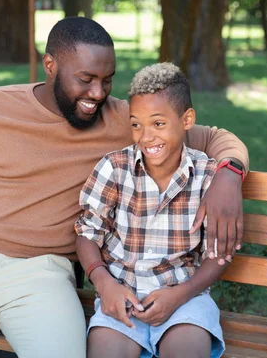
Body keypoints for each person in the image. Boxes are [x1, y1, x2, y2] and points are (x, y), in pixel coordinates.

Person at [0, 17, 248, 358]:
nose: (98, 93)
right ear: (50, 65)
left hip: (43, 275)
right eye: (86, 79)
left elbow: (215, 138)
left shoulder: (125, 121)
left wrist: (228, 176)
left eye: (107, 79)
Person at [76, 62, 229, 358]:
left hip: (185, 298)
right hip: (121, 295)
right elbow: (86, 233)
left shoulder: (206, 177)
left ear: (187, 119)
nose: (146, 137)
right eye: (136, 124)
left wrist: (182, 294)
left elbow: (219, 253)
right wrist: (104, 283)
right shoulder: (114, 168)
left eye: (158, 124)